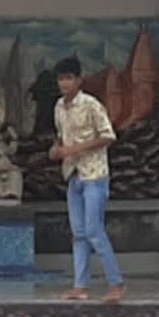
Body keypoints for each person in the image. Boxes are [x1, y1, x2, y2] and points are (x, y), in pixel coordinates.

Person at [49, 56, 125, 302]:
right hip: (73, 175)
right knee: (79, 233)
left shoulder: (91, 105)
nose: (64, 84)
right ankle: (80, 285)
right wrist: (57, 150)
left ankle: (116, 282)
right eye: (61, 79)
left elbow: (108, 136)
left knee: (94, 230)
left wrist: (76, 149)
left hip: (94, 174)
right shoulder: (59, 107)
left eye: (69, 78)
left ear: (79, 80)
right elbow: (62, 137)